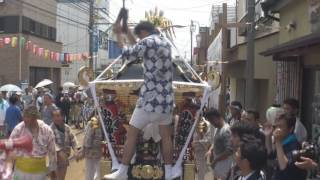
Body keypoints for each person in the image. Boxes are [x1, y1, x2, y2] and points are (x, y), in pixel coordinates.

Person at [104, 20, 174, 180]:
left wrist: (120, 36)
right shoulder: (166, 43)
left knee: (132, 134)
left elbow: (128, 54)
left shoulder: (148, 41)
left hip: (149, 100)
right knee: (166, 137)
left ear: (143, 32)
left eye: (138, 35)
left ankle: (122, 171)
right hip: (166, 101)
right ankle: (169, 172)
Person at [9, 105, 57, 180]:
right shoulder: (18, 129)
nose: (24, 119)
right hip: (21, 173)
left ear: (35, 118)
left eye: (27, 117)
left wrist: (53, 169)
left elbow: (52, 152)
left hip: (40, 173)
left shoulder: (47, 130)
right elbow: (10, 148)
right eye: (24, 116)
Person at [265, 113, 307, 180]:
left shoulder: (294, 146)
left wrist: (278, 142)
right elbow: (271, 157)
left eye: (280, 127)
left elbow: (284, 168)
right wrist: (268, 136)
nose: (277, 130)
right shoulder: (283, 142)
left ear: (290, 129)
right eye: (276, 127)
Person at [51, 109, 80, 180]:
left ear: (63, 117)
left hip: (64, 158)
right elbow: (51, 142)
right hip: (53, 158)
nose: (56, 118)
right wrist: (59, 152)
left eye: (58, 116)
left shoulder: (67, 128)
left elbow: (73, 139)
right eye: (54, 116)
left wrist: (76, 150)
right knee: (55, 177)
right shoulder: (49, 129)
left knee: (61, 177)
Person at [205, 108, 233, 180]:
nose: (211, 123)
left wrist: (216, 160)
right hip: (218, 166)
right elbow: (215, 142)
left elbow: (229, 151)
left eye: (212, 120)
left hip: (224, 166)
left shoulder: (226, 130)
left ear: (218, 117)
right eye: (210, 121)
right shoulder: (218, 128)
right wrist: (210, 150)